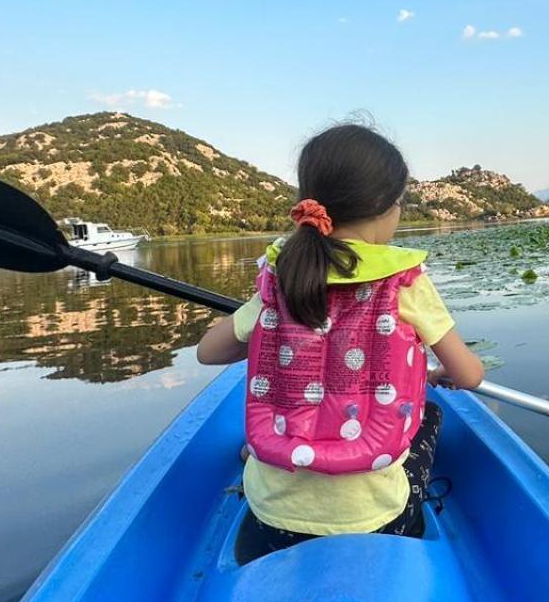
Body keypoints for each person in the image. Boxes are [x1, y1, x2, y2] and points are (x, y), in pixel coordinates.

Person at [197, 123, 484, 550]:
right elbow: (470, 375)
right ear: (388, 207)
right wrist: (436, 373)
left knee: (268, 429)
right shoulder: (404, 283)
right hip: (379, 522)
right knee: (430, 419)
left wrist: (254, 329)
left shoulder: (281, 279)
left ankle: (256, 457)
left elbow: (207, 352)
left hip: (271, 523)